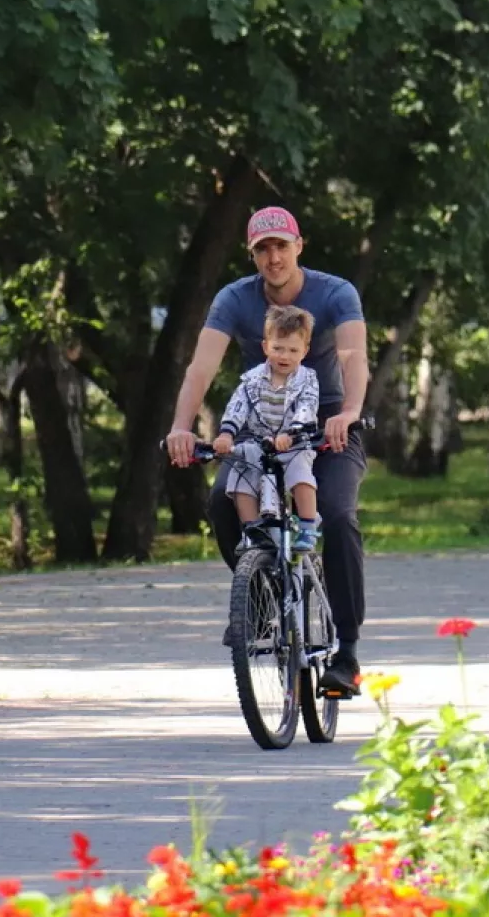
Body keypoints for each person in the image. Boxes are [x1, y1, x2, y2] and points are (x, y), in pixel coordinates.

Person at [165, 205, 369, 696]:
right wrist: (180, 426)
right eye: (263, 249)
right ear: (252, 254)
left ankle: (347, 652)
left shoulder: (336, 292)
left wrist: (349, 413)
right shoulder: (235, 299)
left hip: (328, 423)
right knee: (220, 500)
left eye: (282, 245)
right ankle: (256, 596)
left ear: (299, 245)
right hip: (258, 428)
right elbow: (201, 367)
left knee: (338, 517)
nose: (273, 257)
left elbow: (353, 356)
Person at [213, 305, 321, 554]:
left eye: (293, 350)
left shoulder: (308, 380)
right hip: (259, 442)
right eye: (278, 348)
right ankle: (253, 530)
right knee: (242, 472)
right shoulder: (251, 380)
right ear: (265, 347)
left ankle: (307, 526)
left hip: (294, 443)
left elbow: (308, 406)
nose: (285, 356)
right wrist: (227, 434)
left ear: (304, 351)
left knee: (300, 474)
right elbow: (237, 407)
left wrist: (292, 433)